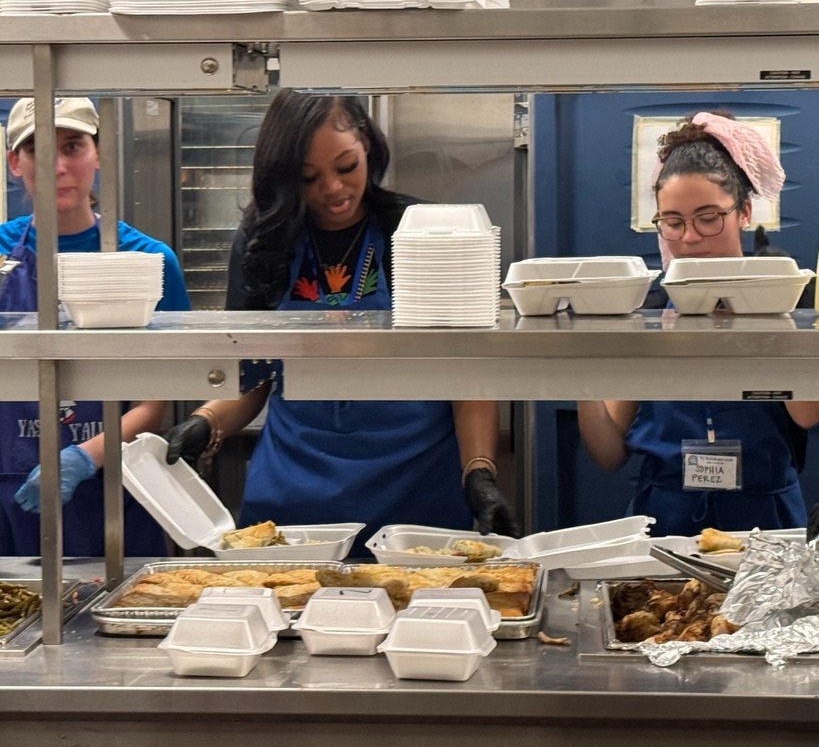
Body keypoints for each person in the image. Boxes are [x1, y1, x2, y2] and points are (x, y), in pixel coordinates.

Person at [165, 90, 517, 553]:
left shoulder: (418, 231)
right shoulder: (265, 242)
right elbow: (251, 375)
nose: (332, 189)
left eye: (346, 166)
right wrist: (205, 421)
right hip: (293, 497)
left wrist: (479, 472)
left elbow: (467, 373)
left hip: (414, 494)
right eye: (308, 178)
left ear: (368, 144)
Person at [577, 110, 819, 537]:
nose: (690, 238)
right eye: (673, 222)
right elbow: (608, 453)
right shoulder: (647, 312)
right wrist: (578, 372)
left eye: (708, 218)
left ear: (744, 212)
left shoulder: (789, 302)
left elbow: (805, 415)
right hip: (665, 520)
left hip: (766, 522)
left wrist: (768, 311)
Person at [0, 96, 191, 556]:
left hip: (115, 490)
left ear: (98, 154)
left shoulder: (148, 261)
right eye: (40, 151)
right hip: (10, 492)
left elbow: (155, 400)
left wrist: (83, 456)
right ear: (14, 163)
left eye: (72, 146)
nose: (59, 166)